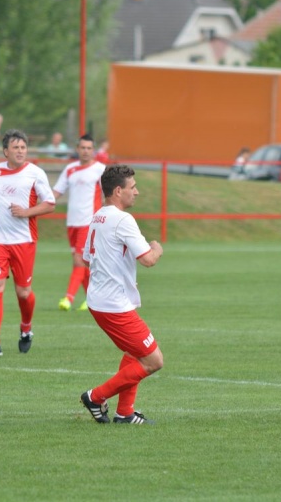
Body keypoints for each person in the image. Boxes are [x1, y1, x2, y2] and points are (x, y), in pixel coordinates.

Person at [79, 164, 164, 425]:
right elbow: (148, 260)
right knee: (153, 361)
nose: (136, 192)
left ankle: (125, 413)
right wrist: (157, 247)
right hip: (113, 304)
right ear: (118, 191)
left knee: (135, 353)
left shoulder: (98, 217)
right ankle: (95, 397)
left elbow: (86, 259)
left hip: (101, 300)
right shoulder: (123, 219)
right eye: (132, 187)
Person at [0, 129, 55, 356]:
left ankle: (26, 328)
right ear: (5, 151)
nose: (20, 151)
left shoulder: (35, 173)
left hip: (24, 241)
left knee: (24, 293)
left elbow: (50, 204)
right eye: (15, 147)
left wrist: (26, 212)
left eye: (23, 147)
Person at [53, 134, 106, 311]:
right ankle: (94, 299)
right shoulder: (70, 169)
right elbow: (56, 192)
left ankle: (68, 298)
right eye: (82, 148)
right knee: (82, 263)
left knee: (79, 261)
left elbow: (108, 194)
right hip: (72, 223)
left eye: (89, 148)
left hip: (89, 223)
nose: (85, 151)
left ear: (93, 150)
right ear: (77, 149)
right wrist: (38, 206)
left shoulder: (100, 169)